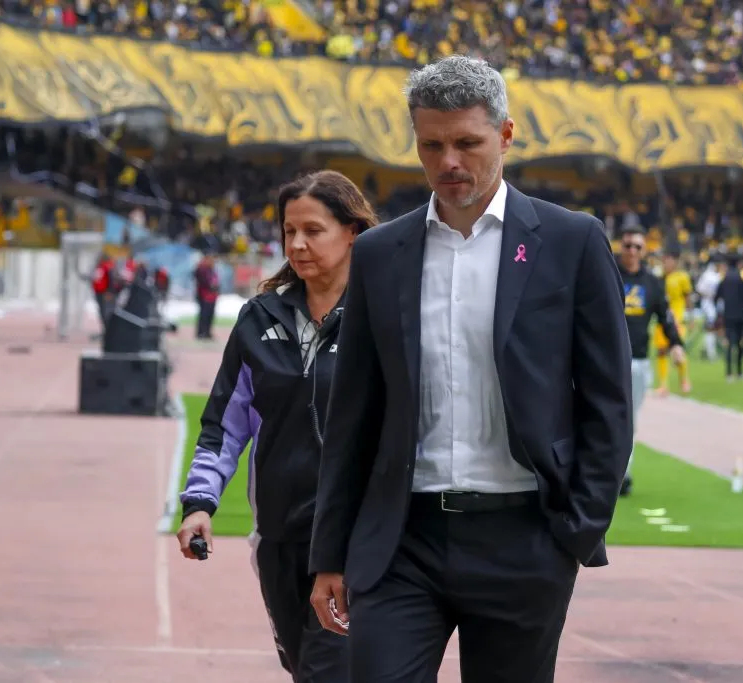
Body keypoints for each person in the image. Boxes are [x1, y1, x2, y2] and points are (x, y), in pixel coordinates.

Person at [308, 55, 633, 683]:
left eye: (466, 143)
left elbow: (609, 400)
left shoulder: (572, 242)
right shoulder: (378, 253)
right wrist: (330, 554)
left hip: (526, 540)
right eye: (431, 145)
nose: (448, 162)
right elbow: (352, 413)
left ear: (505, 135)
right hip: (403, 538)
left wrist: (573, 531)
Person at [176, 170, 379, 682]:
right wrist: (200, 503)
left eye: (313, 230)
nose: (298, 244)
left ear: (352, 231)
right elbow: (225, 421)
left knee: (328, 673)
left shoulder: (382, 316)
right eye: (289, 232)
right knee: (304, 668)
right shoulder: (257, 317)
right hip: (278, 538)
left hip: (358, 539)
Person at [617, 228, 685, 496]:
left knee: (629, 419)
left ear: (644, 251)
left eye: (637, 247)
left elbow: (665, 316)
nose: (632, 251)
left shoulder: (652, 283)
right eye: (628, 245)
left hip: (638, 359)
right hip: (605, 358)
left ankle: (622, 472)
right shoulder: (606, 273)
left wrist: (676, 343)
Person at [656, 251, 692, 395]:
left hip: (677, 319)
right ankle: (663, 385)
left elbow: (688, 297)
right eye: (664, 260)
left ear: (675, 261)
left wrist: (690, 316)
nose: (666, 263)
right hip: (662, 319)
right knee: (661, 351)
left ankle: (684, 379)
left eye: (668, 260)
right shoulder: (659, 277)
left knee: (677, 352)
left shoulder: (682, 277)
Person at [715, 255, 743, 381]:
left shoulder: (724, 278)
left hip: (728, 314)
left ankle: (729, 373)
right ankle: (740, 371)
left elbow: (717, 296)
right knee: (741, 343)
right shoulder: (742, 278)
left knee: (730, 344)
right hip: (740, 315)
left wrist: (719, 311)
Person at [193, 252, 220, 340]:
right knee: (204, 314)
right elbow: (201, 280)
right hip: (204, 295)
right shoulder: (201, 269)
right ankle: (201, 332)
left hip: (212, 296)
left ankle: (207, 332)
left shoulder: (212, 270)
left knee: (210, 315)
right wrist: (210, 286)